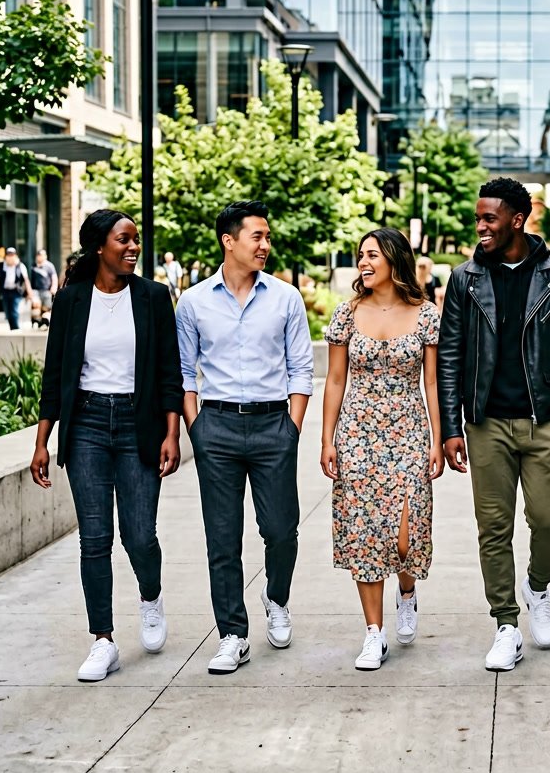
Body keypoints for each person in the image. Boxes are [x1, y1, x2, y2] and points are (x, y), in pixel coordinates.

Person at [439, 177, 550, 672]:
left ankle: (538, 586)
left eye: (490, 218)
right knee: (493, 528)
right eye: (478, 218)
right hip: (486, 423)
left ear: (517, 220)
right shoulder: (464, 279)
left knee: (548, 520)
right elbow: (449, 356)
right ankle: (506, 623)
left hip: (546, 420)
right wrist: (451, 426)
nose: (480, 227)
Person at [29, 209, 184, 682]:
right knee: (94, 539)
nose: (133, 247)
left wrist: (172, 433)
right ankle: (103, 640)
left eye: (135, 239)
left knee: (139, 535)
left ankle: (151, 597)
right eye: (124, 240)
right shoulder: (71, 300)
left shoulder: (154, 297)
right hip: (87, 425)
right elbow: (55, 374)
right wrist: (42, 441)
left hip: (139, 424)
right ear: (100, 247)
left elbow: (169, 373)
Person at [174, 200, 313, 676]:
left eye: (267, 237)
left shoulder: (285, 298)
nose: (265, 245)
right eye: (257, 236)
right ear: (228, 241)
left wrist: (292, 427)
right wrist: (196, 427)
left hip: (274, 425)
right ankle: (232, 634)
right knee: (222, 537)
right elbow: (184, 373)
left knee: (281, 530)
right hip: (216, 428)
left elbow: (301, 368)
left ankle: (277, 597)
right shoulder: (193, 302)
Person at [321, 228, 443, 671]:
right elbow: (336, 379)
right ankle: (374, 633)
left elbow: (432, 382)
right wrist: (327, 439)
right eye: (361, 255)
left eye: (372, 254)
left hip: (409, 431)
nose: (363, 262)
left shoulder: (426, 314)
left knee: (407, 537)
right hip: (358, 433)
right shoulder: (347, 313)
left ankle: (406, 592)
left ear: (394, 259)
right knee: (365, 532)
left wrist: (436, 439)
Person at [0, 247, 31, 330]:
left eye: (12, 255)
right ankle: (12, 327)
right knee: (7, 312)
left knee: (14, 310)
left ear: (16, 256)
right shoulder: (2, 266)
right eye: (8, 255)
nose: (10, 257)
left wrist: (29, 292)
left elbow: (26, 280)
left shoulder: (20, 266)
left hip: (16, 291)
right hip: (5, 291)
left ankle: (15, 328)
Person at [31, 250, 59, 315]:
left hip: (46, 291)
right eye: (38, 255)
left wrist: (54, 287)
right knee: (35, 310)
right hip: (35, 291)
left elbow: (54, 277)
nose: (40, 257)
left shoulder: (49, 266)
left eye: (41, 255)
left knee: (46, 309)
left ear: (45, 256)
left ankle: (44, 319)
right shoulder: (33, 266)